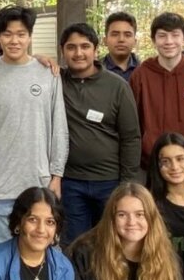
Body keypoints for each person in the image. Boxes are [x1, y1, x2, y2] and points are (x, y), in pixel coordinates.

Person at [0, 7, 69, 240]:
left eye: (21, 34)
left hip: (38, 181)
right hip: (0, 183)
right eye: (7, 34)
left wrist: (56, 175)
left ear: (30, 36)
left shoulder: (48, 74)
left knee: (38, 253)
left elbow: (59, 128)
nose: (14, 40)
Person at [58, 22, 141, 244]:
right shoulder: (56, 82)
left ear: (95, 50)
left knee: (111, 244)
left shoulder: (117, 86)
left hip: (109, 182)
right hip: (71, 182)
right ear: (63, 51)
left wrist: (127, 184)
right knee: (75, 245)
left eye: (85, 46)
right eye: (71, 47)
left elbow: (131, 137)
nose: (78, 53)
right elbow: (17, 65)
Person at [131, 12, 184, 174]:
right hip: (151, 163)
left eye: (175, 35)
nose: (169, 41)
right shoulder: (141, 74)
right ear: (154, 40)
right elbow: (132, 122)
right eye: (162, 36)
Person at [101, 12, 140, 81]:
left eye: (127, 35)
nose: (121, 39)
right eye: (115, 34)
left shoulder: (145, 71)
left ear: (135, 41)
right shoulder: (94, 72)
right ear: (105, 40)